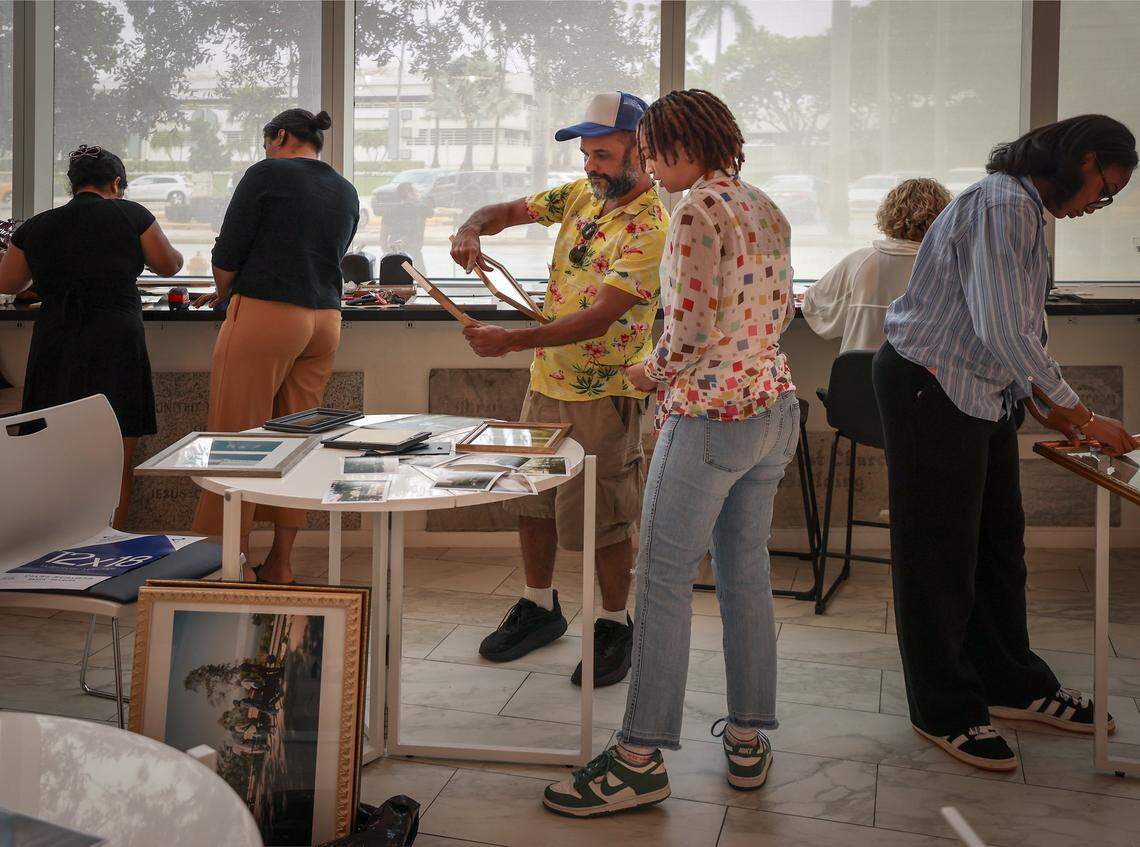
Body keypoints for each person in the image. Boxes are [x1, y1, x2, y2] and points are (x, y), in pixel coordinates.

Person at [543, 89, 798, 817]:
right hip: (772, 409)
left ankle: (637, 758)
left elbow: (685, 331)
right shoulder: (762, 203)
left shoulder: (691, 212)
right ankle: (749, 737)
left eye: (653, 150)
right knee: (746, 575)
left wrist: (643, 374)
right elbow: (778, 311)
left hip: (710, 417)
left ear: (681, 146)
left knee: (659, 579)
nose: (649, 166)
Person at [873, 114, 1139, 772]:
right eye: (1101, 190)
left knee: (997, 546)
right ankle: (944, 709)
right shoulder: (1002, 205)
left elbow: (1021, 324)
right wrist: (1080, 414)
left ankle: (1011, 682)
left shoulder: (1020, 208)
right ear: (1079, 158)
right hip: (929, 385)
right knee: (939, 555)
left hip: (981, 388)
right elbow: (1002, 327)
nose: (1094, 206)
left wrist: (1041, 403)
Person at [450, 92, 668, 687]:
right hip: (547, 382)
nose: (590, 165)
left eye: (602, 153)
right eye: (586, 154)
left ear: (641, 150)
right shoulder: (578, 196)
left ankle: (614, 623)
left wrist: (511, 342)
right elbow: (507, 211)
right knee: (532, 500)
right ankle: (539, 606)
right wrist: (472, 228)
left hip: (606, 393)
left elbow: (600, 318)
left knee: (606, 516)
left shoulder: (653, 227)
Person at [192, 109, 359, 584]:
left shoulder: (266, 172)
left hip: (268, 314)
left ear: (281, 136)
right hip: (325, 320)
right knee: (299, 441)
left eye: (268, 141)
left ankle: (228, 564)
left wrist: (225, 291)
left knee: (234, 440)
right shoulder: (344, 189)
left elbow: (228, 251)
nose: (266, 149)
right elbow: (332, 251)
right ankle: (281, 562)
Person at [0, 145, 183, 528]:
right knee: (117, 453)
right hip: (116, 339)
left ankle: (58, 542)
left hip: (57, 341)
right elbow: (168, 265)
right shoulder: (133, 214)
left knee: (53, 446)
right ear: (117, 183)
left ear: (73, 185)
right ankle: (110, 539)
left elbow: (8, 281)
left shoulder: (36, 225)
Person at [802, 178, 951, 352]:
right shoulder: (950, 266)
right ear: (945, 217)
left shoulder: (861, 262)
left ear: (889, 214)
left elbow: (815, 308)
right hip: (924, 377)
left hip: (859, 374)